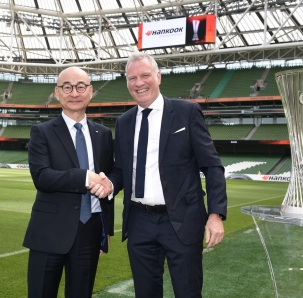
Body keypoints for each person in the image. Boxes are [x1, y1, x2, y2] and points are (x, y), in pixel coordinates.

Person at [96, 52, 227, 298]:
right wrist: (109, 184)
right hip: (139, 221)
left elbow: (211, 165)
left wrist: (216, 213)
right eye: (132, 78)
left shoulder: (186, 112)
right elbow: (122, 170)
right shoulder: (123, 122)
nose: (139, 83)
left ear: (158, 76)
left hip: (181, 220)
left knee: (187, 291)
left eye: (145, 75)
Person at [23, 66, 114, 298]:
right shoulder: (42, 132)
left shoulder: (103, 134)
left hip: (89, 232)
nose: (75, 92)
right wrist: (84, 176)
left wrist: (106, 231)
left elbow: (108, 179)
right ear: (57, 92)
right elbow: (41, 177)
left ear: (91, 91)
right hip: (49, 232)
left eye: (81, 86)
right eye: (67, 87)